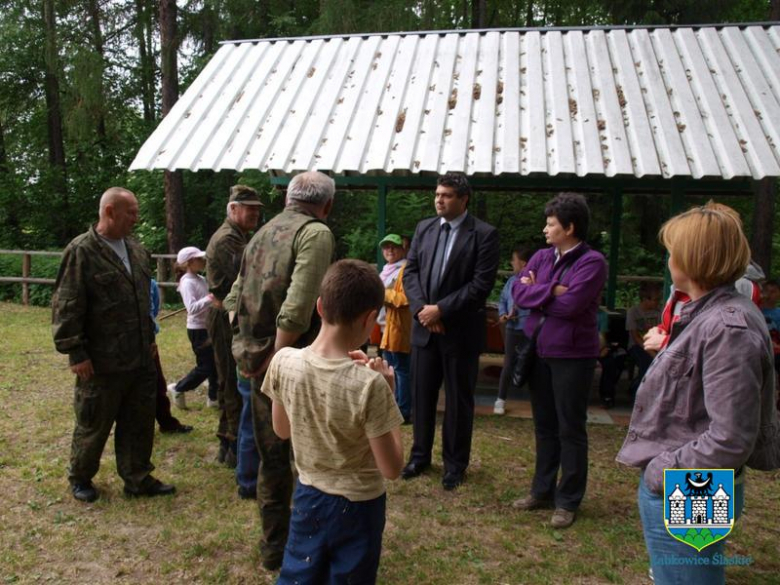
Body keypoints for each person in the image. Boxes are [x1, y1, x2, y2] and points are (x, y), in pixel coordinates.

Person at [616, 202, 778, 585]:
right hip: (691, 481)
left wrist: (662, 470)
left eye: (672, 250)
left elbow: (731, 437)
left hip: (693, 485)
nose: (669, 258)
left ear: (692, 257)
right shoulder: (707, 313)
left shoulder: (726, 327)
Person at [262, 259, 404, 584]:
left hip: (308, 495)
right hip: (360, 507)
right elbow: (392, 468)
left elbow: (281, 430)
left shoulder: (283, 360)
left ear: (320, 307)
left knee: (299, 573)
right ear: (370, 319)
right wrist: (388, 392)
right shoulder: (370, 385)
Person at [232, 171, 336, 571]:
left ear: (288, 199)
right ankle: (309, 548)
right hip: (292, 359)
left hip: (258, 358)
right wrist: (277, 357)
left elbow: (234, 296)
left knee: (271, 455)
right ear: (326, 205)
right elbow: (298, 305)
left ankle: (274, 548)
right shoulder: (315, 234)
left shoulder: (262, 231)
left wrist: (245, 347)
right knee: (310, 457)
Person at [52, 187, 175, 502]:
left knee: (139, 421)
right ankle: (81, 477)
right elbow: (67, 305)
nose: (136, 218)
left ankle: (137, 477)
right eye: (130, 212)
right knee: (93, 422)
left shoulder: (135, 249)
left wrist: (149, 340)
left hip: (139, 357)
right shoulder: (82, 251)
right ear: (109, 211)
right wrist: (75, 352)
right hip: (101, 361)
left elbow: (143, 301)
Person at [511, 192, 607, 529]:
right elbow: (518, 294)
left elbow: (573, 306)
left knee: (571, 429)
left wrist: (540, 292)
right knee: (545, 426)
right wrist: (552, 290)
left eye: (551, 224)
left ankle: (568, 501)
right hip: (539, 351)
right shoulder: (540, 256)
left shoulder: (592, 262)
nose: (545, 229)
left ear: (569, 227)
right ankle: (542, 491)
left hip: (573, 357)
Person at [401, 172, 500, 491]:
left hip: (460, 332)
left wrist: (440, 309)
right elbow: (410, 272)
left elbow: (480, 285)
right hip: (424, 330)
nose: (439, 199)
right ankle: (419, 457)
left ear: (463, 199)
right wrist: (421, 311)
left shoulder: (484, 234)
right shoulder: (424, 228)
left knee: (458, 401)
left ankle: (455, 464)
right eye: (437, 194)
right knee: (421, 396)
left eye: (446, 195)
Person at [206, 185, 263, 466]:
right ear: (233, 209)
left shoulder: (237, 236)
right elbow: (252, 274)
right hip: (225, 317)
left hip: (228, 314)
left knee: (228, 378)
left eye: (257, 208)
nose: (255, 212)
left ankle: (229, 444)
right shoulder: (229, 239)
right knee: (231, 379)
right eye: (249, 207)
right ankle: (233, 447)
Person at [167, 246, 218, 409]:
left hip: (208, 326)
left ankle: (214, 397)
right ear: (189, 263)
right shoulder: (187, 282)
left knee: (215, 363)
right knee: (206, 366)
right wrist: (210, 298)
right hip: (197, 330)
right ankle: (178, 388)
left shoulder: (200, 279)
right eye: (199, 259)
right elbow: (192, 308)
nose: (203, 261)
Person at [494, 246, 533, 415]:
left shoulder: (533, 280)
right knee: (508, 363)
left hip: (529, 328)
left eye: (514, 259)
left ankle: (536, 400)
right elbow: (502, 300)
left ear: (522, 263)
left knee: (531, 363)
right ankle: (500, 399)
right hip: (512, 328)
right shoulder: (511, 281)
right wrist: (503, 313)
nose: (511, 262)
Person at [150, 278, 193, 434]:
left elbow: (153, 310)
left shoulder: (150, 283)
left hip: (148, 342)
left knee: (158, 384)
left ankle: (167, 423)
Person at [378, 233, 412, 423]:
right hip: (386, 328)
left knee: (401, 370)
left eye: (394, 247)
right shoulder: (386, 270)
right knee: (392, 369)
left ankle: (404, 412)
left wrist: (381, 293)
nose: (389, 250)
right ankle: (396, 407)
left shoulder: (405, 270)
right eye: (386, 247)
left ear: (402, 249)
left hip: (399, 328)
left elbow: (405, 299)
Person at [625, 282, 661, 395]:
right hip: (638, 345)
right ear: (645, 299)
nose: (657, 302)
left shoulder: (659, 312)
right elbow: (635, 337)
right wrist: (650, 352)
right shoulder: (633, 312)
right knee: (646, 364)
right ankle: (637, 392)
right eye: (655, 299)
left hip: (655, 344)